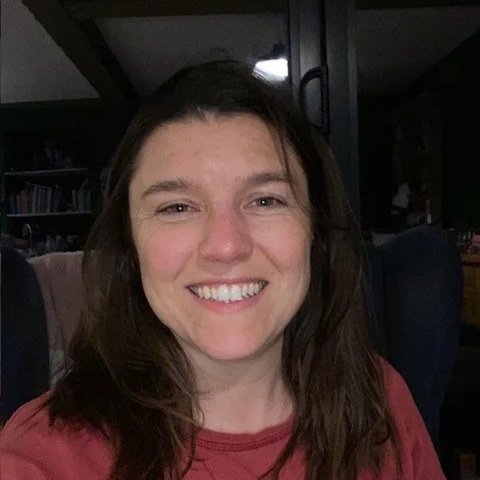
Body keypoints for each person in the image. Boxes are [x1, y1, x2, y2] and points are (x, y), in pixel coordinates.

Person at [0, 61, 445, 480]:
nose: (226, 245)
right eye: (177, 207)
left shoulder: (380, 399)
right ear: (129, 245)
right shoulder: (42, 457)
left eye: (265, 200)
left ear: (316, 231)